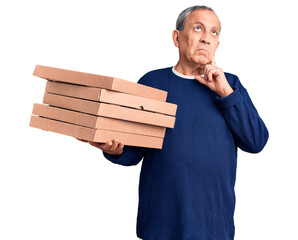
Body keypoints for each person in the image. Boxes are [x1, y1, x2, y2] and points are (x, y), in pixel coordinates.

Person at [84, 5, 269, 240]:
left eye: (214, 33)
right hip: (160, 224)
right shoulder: (151, 83)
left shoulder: (230, 85)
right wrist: (114, 150)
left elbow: (256, 142)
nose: (206, 39)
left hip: (213, 226)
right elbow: (133, 153)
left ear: (218, 45)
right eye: (198, 28)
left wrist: (224, 91)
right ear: (177, 37)